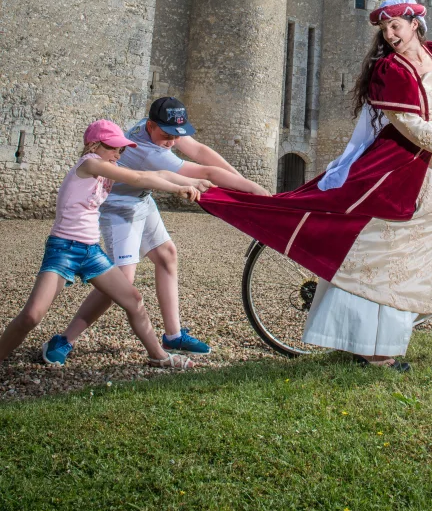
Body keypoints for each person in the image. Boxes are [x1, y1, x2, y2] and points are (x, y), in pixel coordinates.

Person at [197, 0, 432, 371]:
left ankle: (385, 326)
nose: (389, 34)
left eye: (395, 26)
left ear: (414, 24)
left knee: (426, 238)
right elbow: (410, 125)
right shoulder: (390, 69)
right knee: (385, 249)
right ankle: (374, 350)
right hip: (401, 164)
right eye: (385, 29)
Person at [44, 97, 269, 366]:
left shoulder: (158, 129)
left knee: (166, 256)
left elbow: (200, 150)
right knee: (121, 280)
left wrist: (242, 181)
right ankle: (65, 339)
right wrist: (254, 190)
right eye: (166, 135)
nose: (172, 142)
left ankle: (173, 336)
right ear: (150, 126)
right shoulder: (147, 151)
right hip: (119, 208)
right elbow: (204, 171)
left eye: (177, 135)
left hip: (141, 199)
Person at [0, 120, 208, 371]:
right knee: (32, 316)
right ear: (94, 145)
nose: (117, 155)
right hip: (63, 249)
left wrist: (193, 182)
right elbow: (140, 177)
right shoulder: (89, 164)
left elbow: (156, 175)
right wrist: (178, 189)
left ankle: (159, 356)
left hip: (90, 251)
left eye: (121, 150)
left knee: (133, 300)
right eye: (113, 149)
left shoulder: (107, 166)